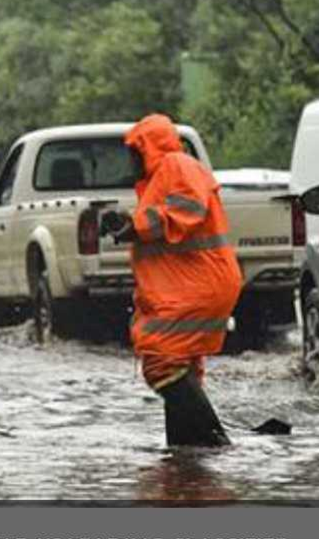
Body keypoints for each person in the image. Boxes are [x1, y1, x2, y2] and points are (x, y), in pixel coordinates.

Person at [101, 114, 242, 447]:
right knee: (182, 367)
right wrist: (125, 222)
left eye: (135, 152)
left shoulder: (177, 164)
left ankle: (216, 445)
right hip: (194, 283)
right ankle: (185, 456)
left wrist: (134, 227)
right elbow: (162, 218)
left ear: (150, 147)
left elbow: (182, 211)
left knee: (161, 363)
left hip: (196, 285)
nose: (131, 160)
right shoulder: (164, 175)